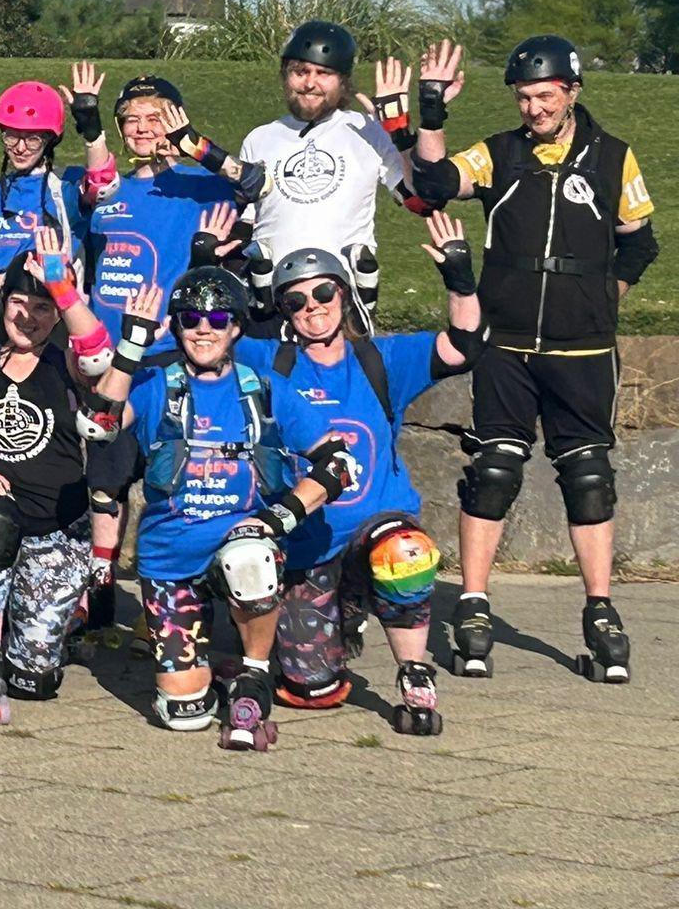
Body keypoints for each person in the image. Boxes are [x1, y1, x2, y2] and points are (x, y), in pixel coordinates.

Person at [410, 36, 659, 684]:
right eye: (524, 97)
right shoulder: (500, 152)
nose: (533, 108)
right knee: (492, 469)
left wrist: (610, 294)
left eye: (544, 96)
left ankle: (600, 610)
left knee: (588, 476)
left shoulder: (613, 159)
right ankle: (472, 604)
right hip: (508, 346)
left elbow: (641, 242)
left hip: (583, 347)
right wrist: (430, 113)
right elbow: (434, 184)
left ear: (573, 92)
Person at [115, 267, 356, 750]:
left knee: (249, 556)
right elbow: (96, 425)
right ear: (177, 327)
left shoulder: (264, 390)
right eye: (189, 319)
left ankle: (254, 671)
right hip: (171, 558)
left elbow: (340, 464)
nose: (204, 329)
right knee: (183, 715)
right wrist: (130, 348)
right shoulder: (155, 385)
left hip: (243, 547)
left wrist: (275, 518)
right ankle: (212, 674)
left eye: (217, 317)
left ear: (237, 327)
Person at [263, 214, 480, 735]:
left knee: (404, 552)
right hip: (306, 544)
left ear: (343, 294)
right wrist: (213, 273)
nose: (311, 307)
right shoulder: (268, 360)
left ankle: (414, 673)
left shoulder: (380, 358)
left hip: (376, 526)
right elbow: (205, 344)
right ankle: (339, 612)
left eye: (322, 293)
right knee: (312, 691)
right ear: (283, 313)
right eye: (295, 300)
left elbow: (463, 345)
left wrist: (460, 279)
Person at [0, 227, 121, 725]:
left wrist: (61, 286)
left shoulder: (69, 367)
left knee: (36, 679)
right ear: (3, 303)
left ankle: (24, 617)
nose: (28, 317)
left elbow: (98, 349)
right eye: (19, 303)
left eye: (42, 309)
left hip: (55, 533)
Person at [77, 76, 242, 639]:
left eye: (156, 117)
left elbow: (255, 184)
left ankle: (171, 599)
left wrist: (194, 143)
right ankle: (100, 588)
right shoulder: (109, 192)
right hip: (111, 361)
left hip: (176, 355)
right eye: (133, 119)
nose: (144, 129)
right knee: (107, 477)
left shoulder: (206, 186)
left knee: (174, 482)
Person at [236, 20, 411, 305]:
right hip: (273, 296)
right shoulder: (260, 138)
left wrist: (400, 134)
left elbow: (415, 197)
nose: (309, 83)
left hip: (341, 296)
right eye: (300, 71)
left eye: (323, 73)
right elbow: (248, 220)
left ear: (343, 81)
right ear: (285, 76)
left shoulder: (367, 130)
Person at [0, 65, 120, 350]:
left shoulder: (63, 190)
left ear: (49, 140)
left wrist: (91, 128)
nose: (20, 147)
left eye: (32, 138)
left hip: (51, 320)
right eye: (11, 136)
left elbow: (102, 183)